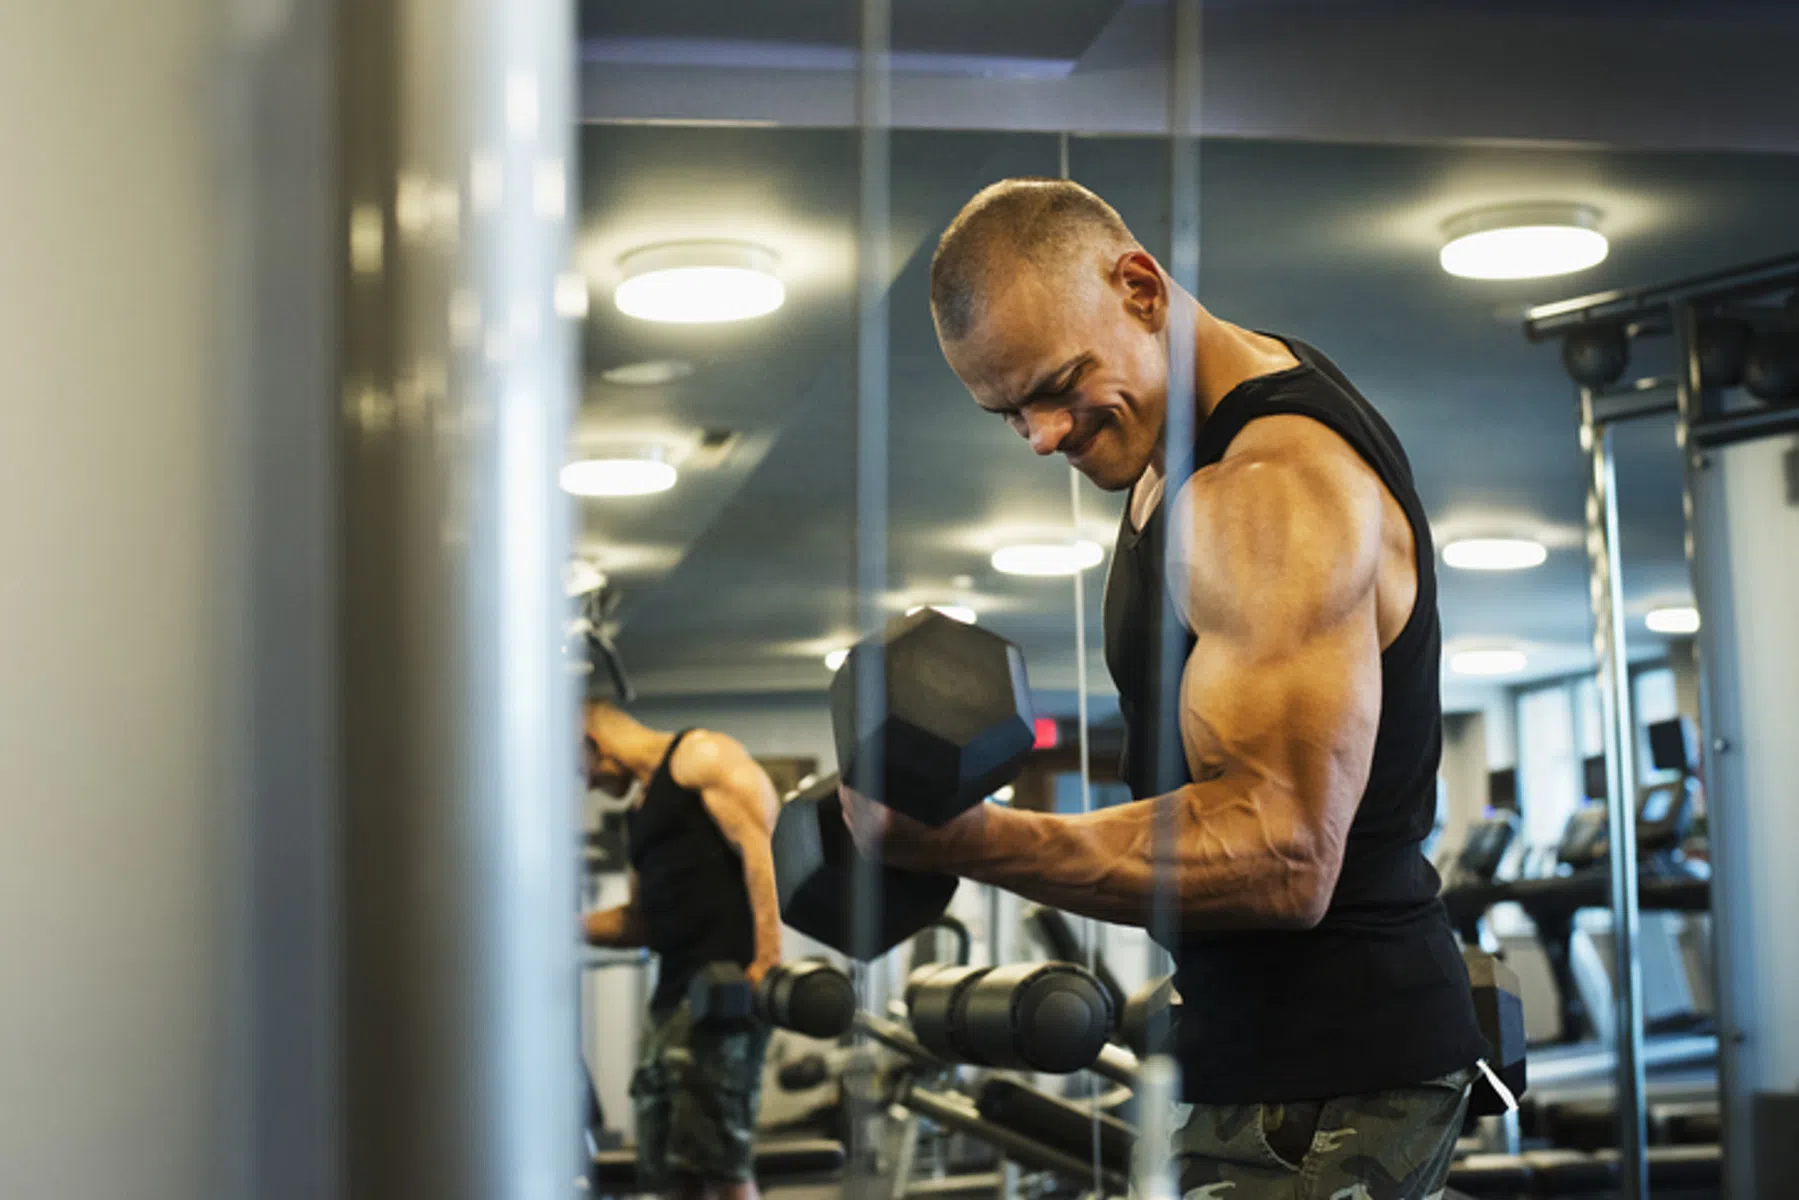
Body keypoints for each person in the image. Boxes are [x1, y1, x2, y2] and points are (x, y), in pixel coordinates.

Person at [841, 179, 1487, 1199]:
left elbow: (1281, 853)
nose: (1042, 435)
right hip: (1249, 1045)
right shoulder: (1162, 441)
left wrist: (972, 841)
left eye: (1056, 386)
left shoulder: (1269, 489)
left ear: (1138, 286)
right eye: (1007, 412)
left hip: (1337, 1071)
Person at [580, 703, 783, 1200]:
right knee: (669, 1174)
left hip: (724, 994)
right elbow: (638, 921)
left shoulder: (701, 756)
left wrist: (768, 964)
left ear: (592, 744)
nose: (584, 784)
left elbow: (764, 850)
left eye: (576, 768)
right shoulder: (638, 813)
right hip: (672, 998)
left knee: (723, 1167)